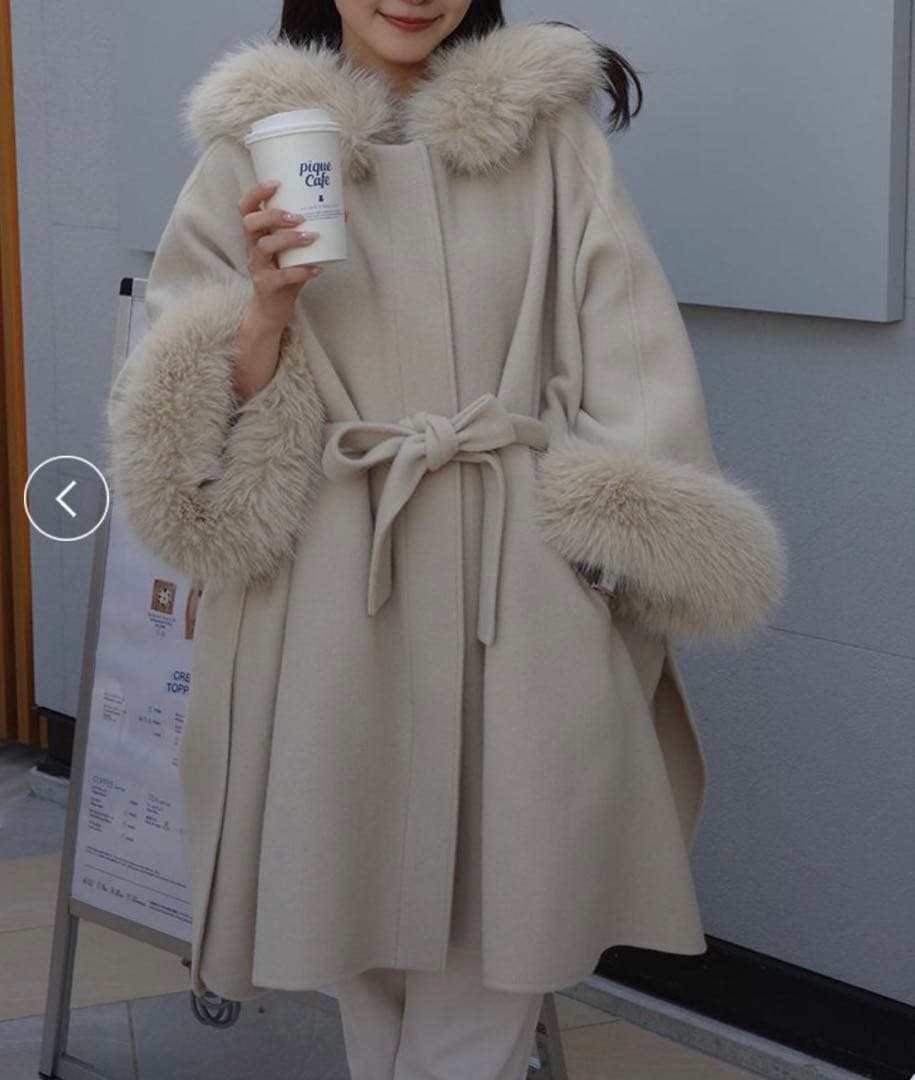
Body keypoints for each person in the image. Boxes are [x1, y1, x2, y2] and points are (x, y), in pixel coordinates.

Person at [104, 2, 789, 1077]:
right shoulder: (251, 146)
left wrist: (600, 562)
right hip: (333, 592)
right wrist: (266, 310)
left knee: (492, 957)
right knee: (363, 957)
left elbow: (633, 349)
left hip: (514, 592)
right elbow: (180, 437)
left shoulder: (549, 140)